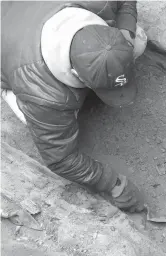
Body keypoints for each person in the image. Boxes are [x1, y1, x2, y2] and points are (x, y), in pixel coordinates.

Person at [1, 1, 148, 213]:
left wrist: (125, 31)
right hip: (12, 49)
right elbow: (60, 158)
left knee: (138, 39)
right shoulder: (42, 92)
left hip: (27, 11)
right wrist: (113, 183)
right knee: (38, 116)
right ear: (76, 74)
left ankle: (105, 67)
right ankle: (8, 91)